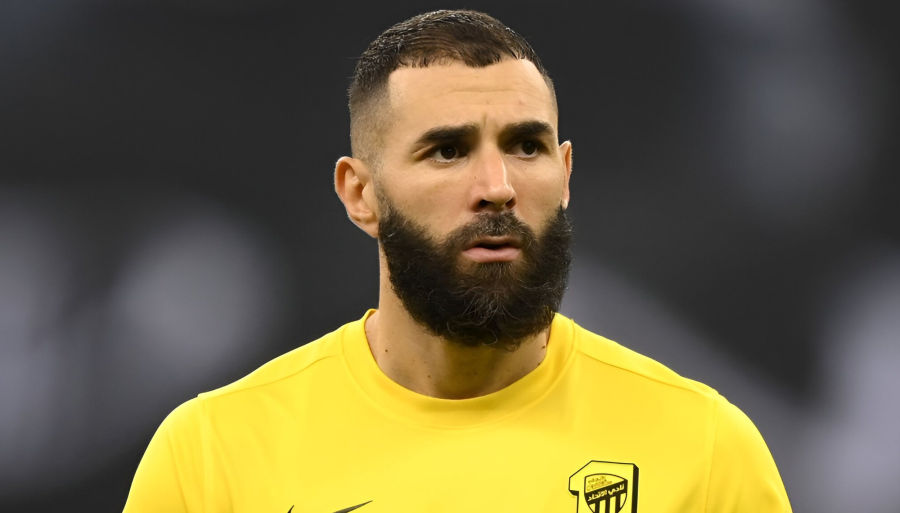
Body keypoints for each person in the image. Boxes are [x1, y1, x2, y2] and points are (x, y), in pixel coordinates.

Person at [123, 9, 791, 512]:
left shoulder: (706, 447)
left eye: (526, 147)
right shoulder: (211, 454)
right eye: (447, 150)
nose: (497, 186)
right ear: (360, 194)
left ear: (565, 176)